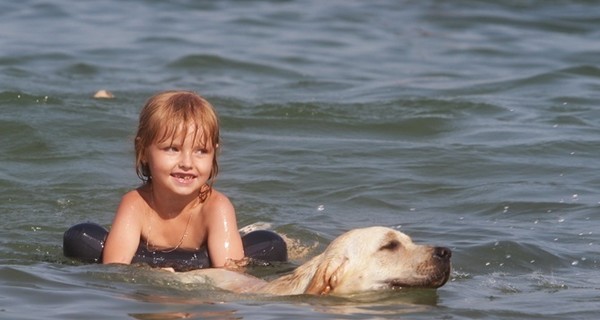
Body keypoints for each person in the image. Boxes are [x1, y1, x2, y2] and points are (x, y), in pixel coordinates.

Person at [102, 90, 245, 269]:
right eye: (172, 149)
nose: (187, 163)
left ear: (214, 153)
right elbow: (114, 271)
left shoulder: (217, 208)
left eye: (201, 151)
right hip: (147, 294)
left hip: (199, 294)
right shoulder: (135, 205)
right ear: (144, 150)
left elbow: (234, 278)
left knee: (271, 243)